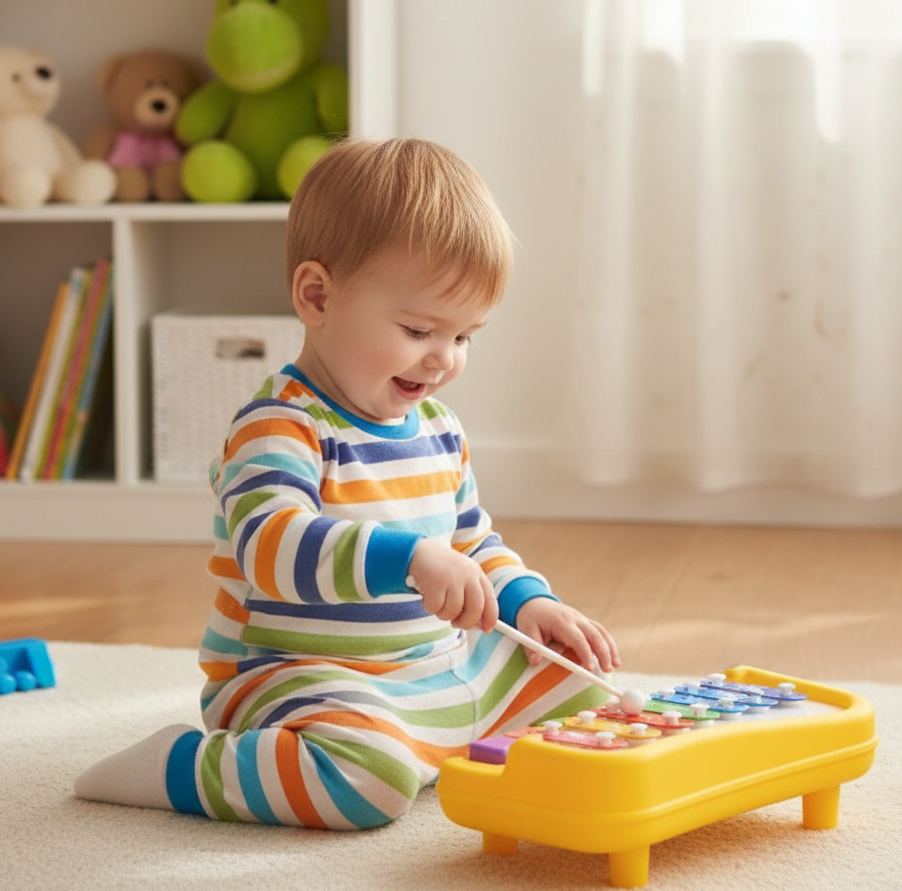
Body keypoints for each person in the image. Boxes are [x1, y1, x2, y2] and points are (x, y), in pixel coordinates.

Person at [75, 137, 621, 829]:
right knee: (371, 782)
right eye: (420, 328)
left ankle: (437, 735)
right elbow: (270, 548)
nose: (445, 359)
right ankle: (183, 764)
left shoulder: (438, 426)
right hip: (297, 674)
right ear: (317, 296)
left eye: (465, 336)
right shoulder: (280, 426)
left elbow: (472, 539)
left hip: (426, 664)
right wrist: (409, 558)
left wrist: (525, 602)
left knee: (589, 692)